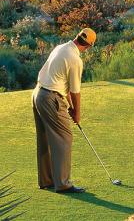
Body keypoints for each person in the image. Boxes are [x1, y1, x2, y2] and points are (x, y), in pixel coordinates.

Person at [32, 27, 96, 194]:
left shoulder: (61, 47)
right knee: (64, 138)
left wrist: (69, 107)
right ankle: (63, 184)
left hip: (38, 94)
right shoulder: (75, 59)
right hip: (50, 97)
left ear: (76, 37)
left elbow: (64, 85)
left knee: (45, 138)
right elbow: (75, 91)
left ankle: (46, 181)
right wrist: (77, 113)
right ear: (88, 46)